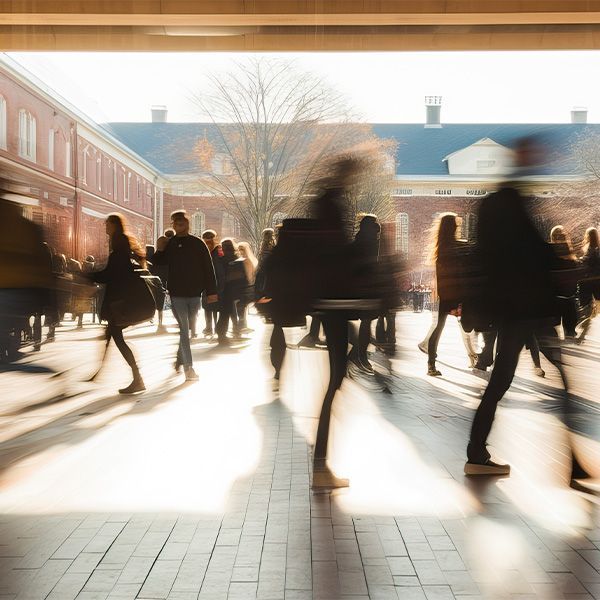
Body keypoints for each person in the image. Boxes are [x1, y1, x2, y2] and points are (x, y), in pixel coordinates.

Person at [464, 135, 592, 485]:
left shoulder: (498, 203)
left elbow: (496, 256)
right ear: (522, 157)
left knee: (501, 382)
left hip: (515, 309)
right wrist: (564, 265)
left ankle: (477, 453)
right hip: (526, 308)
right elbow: (530, 254)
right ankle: (571, 462)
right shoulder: (512, 203)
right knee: (557, 380)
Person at [152, 211, 218, 380]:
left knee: (187, 329)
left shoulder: (198, 243)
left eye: (180, 224)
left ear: (187, 224)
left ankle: (180, 359)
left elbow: (208, 268)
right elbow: (158, 264)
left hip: (195, 294)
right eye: (174, 224)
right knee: (184, 329)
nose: (177, 226)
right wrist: (159, 249)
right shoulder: (171, 244)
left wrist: (212, 292)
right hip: (177, 295)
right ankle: (189, 368)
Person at [92, 213, 146, 394]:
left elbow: (110, 275)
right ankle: (97, 372)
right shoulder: (121, 248)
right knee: (111, 336)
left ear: (114, 225)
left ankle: (137, 378)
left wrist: (90, 276)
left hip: (119, 302)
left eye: (107, 224)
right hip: (119, 301)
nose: (105, 227)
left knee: (117, 338)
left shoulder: (118, 250)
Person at [424, 213, 476, 376]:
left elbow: (442, 279)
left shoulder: (441, 249)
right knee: (469, 326)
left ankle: (431, 365)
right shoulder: (459, 247)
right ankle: (478, 356)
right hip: (458, 295)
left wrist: (446, 299)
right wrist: (458, 301)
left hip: (446, 296)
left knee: (438, 329)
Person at [216, 238, 248, 345]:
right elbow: (244, 276)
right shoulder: (238, 260)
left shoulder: (220, 261)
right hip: (236, 289)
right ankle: (235, 331)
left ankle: (222, 334)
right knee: (238, 312)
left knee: (224, 313)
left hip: (224, 290)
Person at [577, 227, 600, 343]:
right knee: (594, 309)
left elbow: (584, 264)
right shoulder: (597, 249)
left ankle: (584, 327)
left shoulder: (588, 249)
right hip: (597, 283)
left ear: (587, 236)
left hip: (587, 283)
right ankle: (586, 326)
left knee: (587, 309)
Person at [201, 229, 224, 337]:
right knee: (207, 306)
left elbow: (220, 267)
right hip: (209, 281)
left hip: (216, 282)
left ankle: (213, 326)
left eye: (209, 242)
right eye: (206, 242)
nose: (208, 244)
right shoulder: (207, 251)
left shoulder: (218, 251)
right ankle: (209, 326)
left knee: (213, 305)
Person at [151, 229, 174, 333]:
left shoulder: (155, 256)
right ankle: (160, 322)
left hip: (158, 280)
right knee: (163, 302)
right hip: (164, 280)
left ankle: (160, 322)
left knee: (159, 302)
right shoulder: (169, 255)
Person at [237, 242, 258, 333]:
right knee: (242, 306)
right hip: (244, 286)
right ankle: (242, 325)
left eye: (242, 250)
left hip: (246, 287)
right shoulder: (243, 260)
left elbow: (250, 275)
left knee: (242, 306)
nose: (240, 252)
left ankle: (242, 325)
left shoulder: (247, 261)